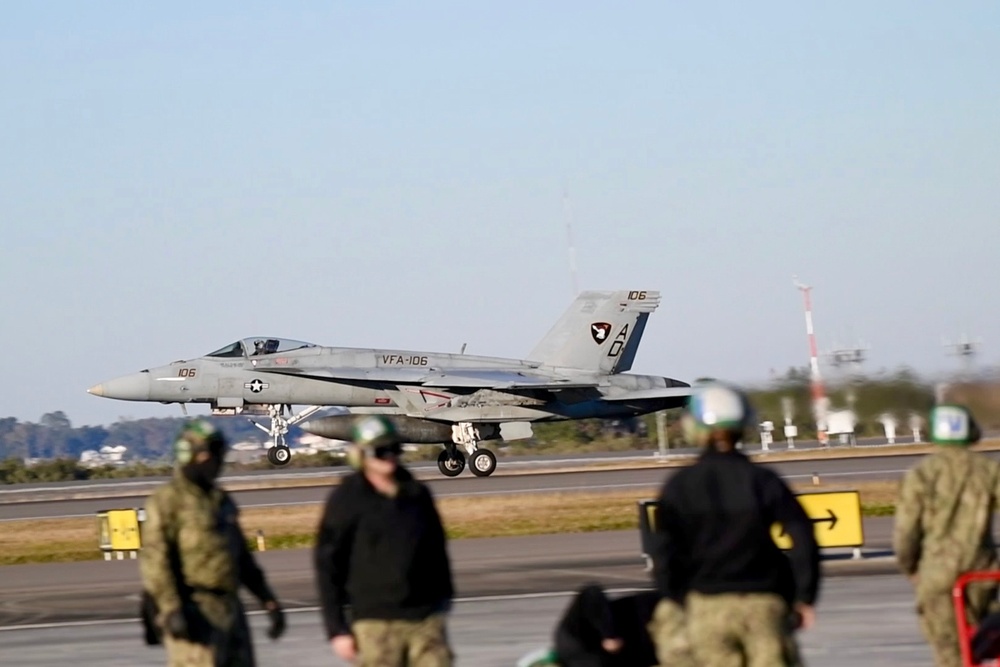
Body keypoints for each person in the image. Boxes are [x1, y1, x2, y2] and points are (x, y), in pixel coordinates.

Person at [649, 382, 821, 666]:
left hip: (706, 607)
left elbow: (663, 554)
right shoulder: (763, 481)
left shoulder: (679, 487)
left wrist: (679, 599)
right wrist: (804, 596)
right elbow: (802, 537)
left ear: (693, 427)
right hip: (763, 604)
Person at [139, 419, 286, 667]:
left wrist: (268, 600)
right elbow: (156, 563)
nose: (217, 461)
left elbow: (242, 558)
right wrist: (171, 610)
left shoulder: (221, 500)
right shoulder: (166, 502)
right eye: (211, 453)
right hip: (193, 614)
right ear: (190, 455)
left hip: (230, 612)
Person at [314, 415, 454, 666]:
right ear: (362, 455)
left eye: (394, 449)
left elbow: (437, 550)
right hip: (375, 624)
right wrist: (336, 629)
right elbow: (328, 566)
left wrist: (442, 601)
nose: (390, 456)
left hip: (425, 620)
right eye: (381, 451)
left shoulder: (417, 494)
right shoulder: (347, 500)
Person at [894, 404, 1000, 667]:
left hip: (937, 575)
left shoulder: (920, 474)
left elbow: (906, 534)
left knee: (949, 652)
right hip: (982, 575)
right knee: (985, 642)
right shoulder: (989, 470)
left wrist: (910, 568)